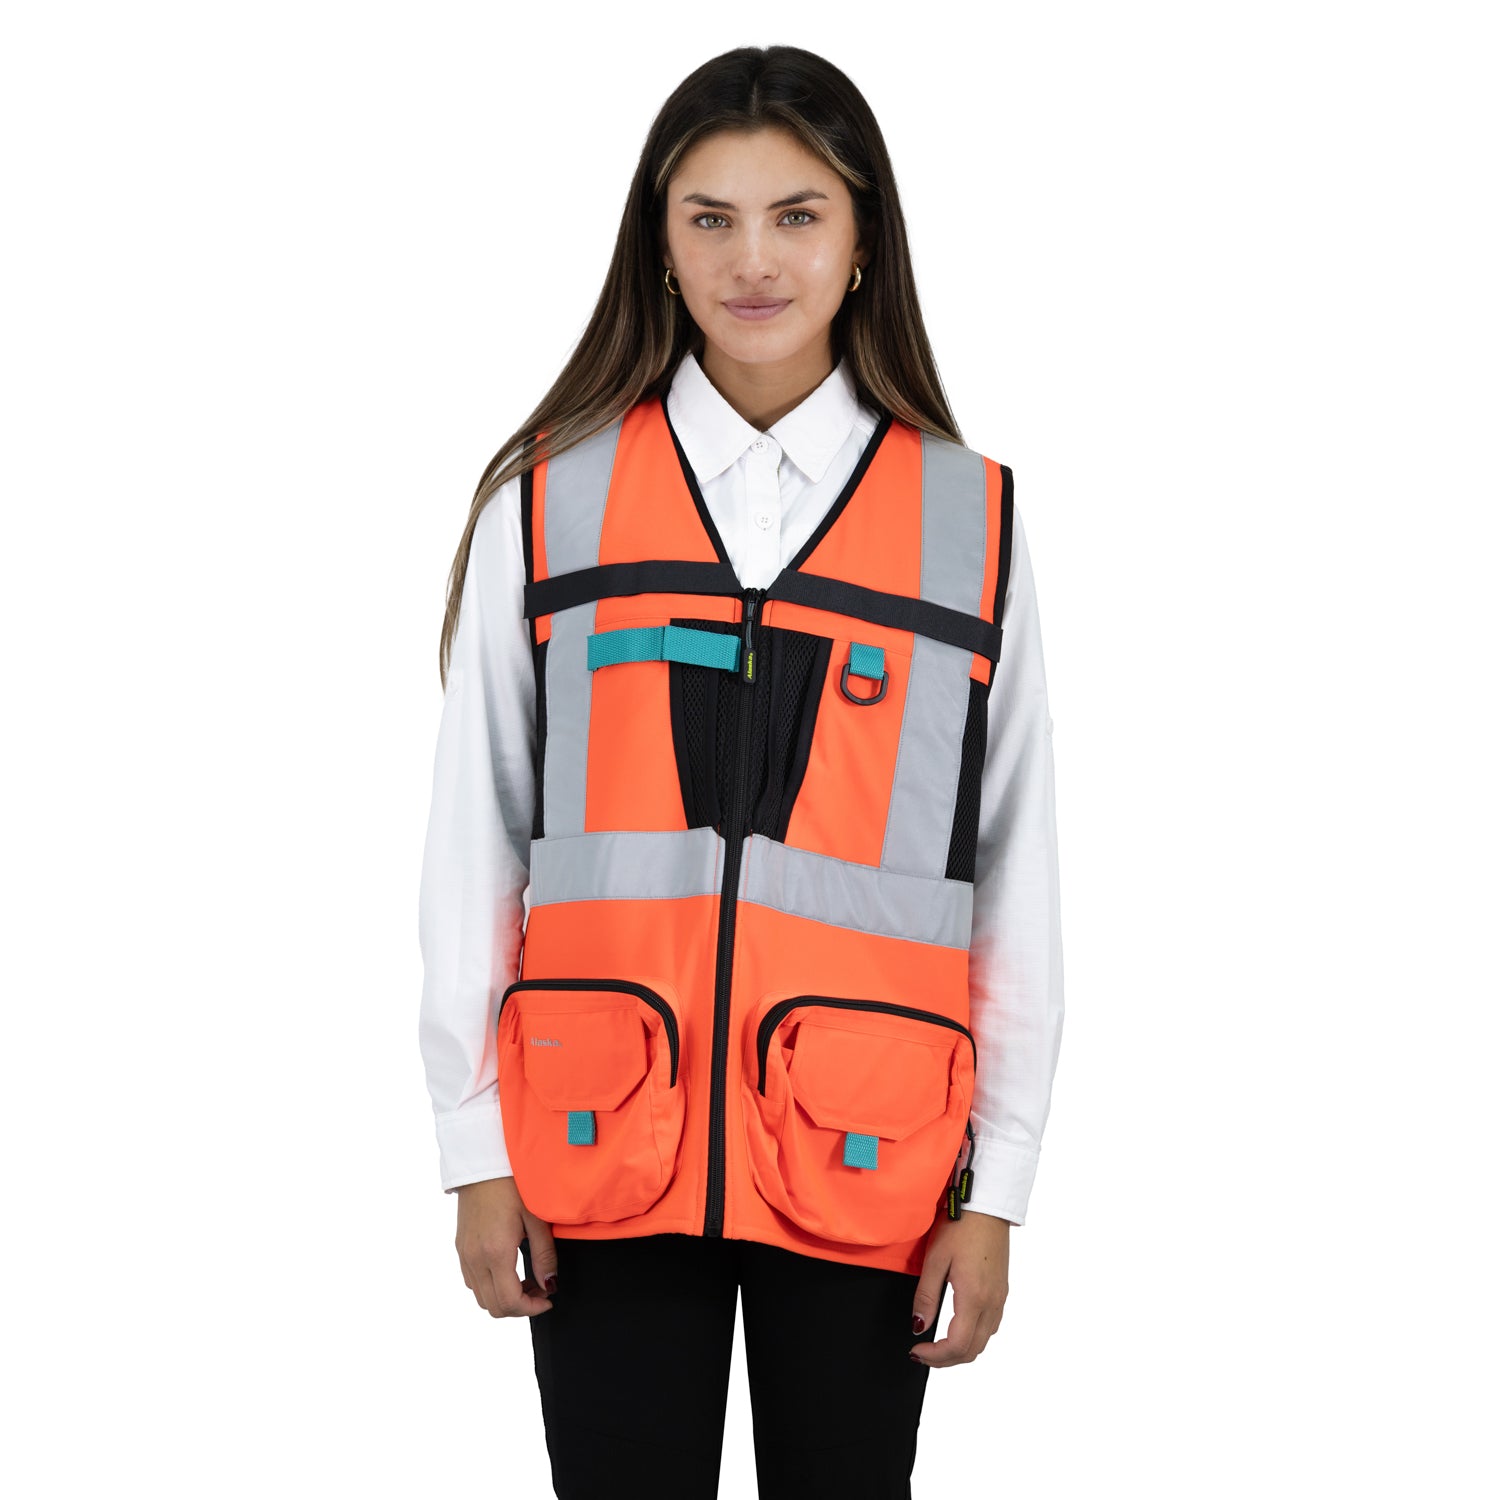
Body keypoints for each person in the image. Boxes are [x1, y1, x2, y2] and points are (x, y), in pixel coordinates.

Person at [418, 43, 1064, 1500]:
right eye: (709, 217)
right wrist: (472, 1147)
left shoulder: (971, 521)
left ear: (862, 240)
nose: (753, 260)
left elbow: (1015, 869)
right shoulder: (553, 500)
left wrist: (1000, 1185)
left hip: (869, 1141)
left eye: (796, 215)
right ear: (658, 242)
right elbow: (475, 844)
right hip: (601, 1131)